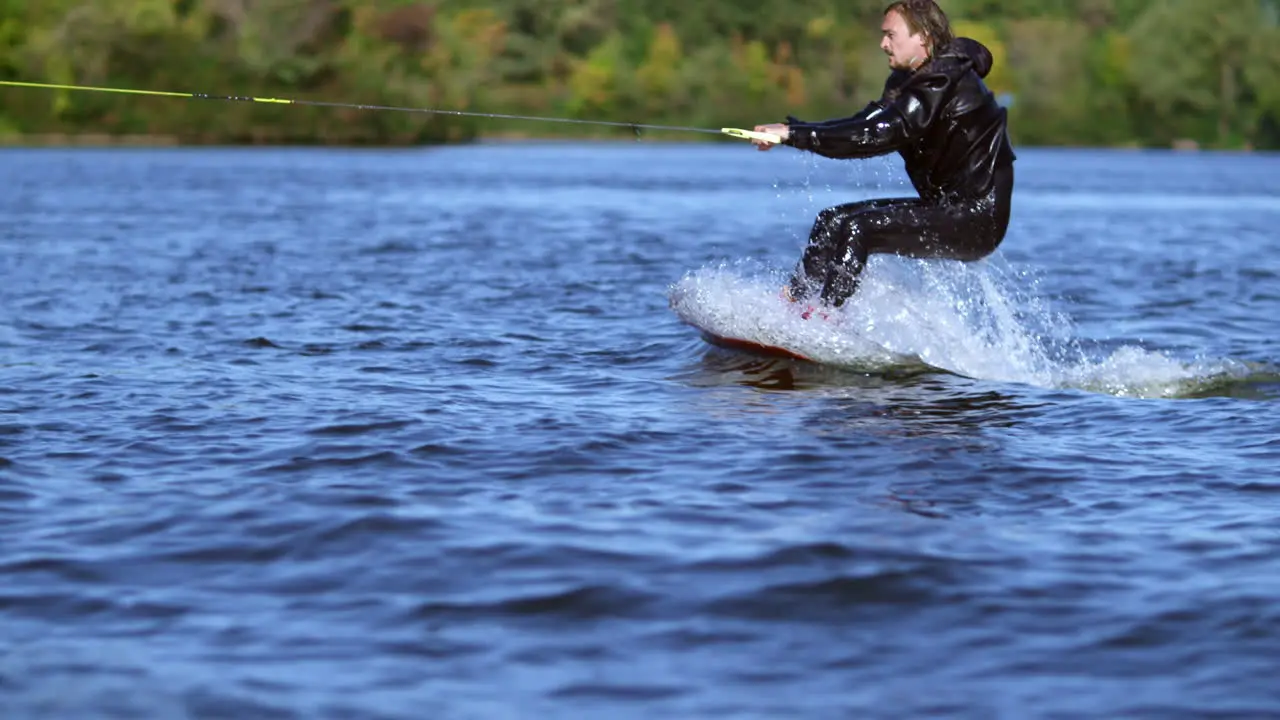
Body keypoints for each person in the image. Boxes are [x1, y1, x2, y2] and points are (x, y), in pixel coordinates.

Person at [753, 0, 1016, 309]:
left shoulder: (943, 81)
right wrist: (790, 129)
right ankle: (793, 305)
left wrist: (792, 135)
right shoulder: (908, 81)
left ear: (924, 37)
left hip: (977, 219)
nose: (883, 44)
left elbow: (876, 135)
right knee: (832, 220)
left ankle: (824, 318)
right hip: (945, 208)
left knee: (858, 227)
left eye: (891, 35)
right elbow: (862, 125)